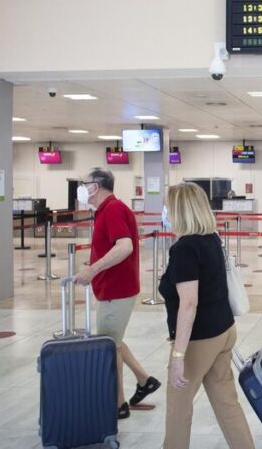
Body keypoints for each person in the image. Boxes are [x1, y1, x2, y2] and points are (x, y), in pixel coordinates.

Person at [159, 182, 253, 449]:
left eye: (168, 207)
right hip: (224, 331)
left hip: (200, 340)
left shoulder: (185, 249)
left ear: (180, 211)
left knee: (178, 408)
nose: (165, 212)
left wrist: (178, 356)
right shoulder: (212, 238)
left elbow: (189, 304)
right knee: (227, 403)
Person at [73, 167, 160, 419]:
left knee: (108, 347)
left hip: (115, 290)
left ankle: (118, 404)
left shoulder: (112, 209)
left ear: (95, 187)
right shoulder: (107, 209)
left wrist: (93, 269)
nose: (82, 187)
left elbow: (125, 246)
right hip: (113, 288)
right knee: (113, 340)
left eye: (84, 183)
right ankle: (145, 381)